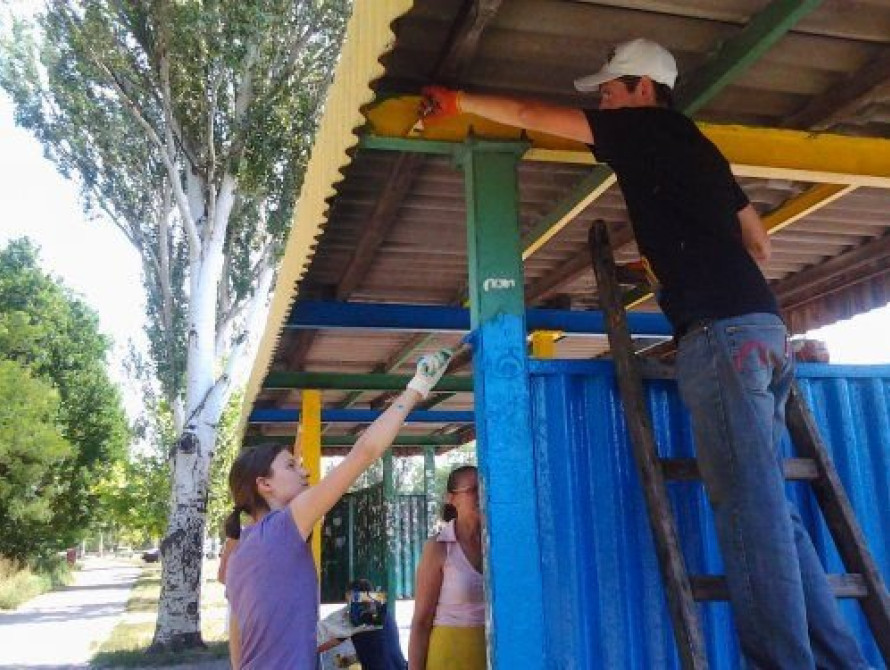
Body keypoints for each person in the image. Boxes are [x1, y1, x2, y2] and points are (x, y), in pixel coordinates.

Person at [421, 39, 869, 669]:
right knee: (772, 512)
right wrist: (689, 260)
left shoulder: (640, 128)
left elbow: (528, 113)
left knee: (749, 515)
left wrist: (460, 100)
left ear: (642, 88)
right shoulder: (699, 146)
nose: (603, 102)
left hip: (721, 336)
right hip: (764, 329)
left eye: (610, 90)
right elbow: (760, 243)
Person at [224, 349, 454, 669]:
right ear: (264, 484)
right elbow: (364, 453)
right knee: (372, 613)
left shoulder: (239, 555)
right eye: (291, 466)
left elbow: (240, 645)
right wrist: (417, 388)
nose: (304, 471)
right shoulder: (283, 526)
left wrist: (325, 638)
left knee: (368, 611)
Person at [408, 465, 485, 670]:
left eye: (484, 487)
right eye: (473, 490)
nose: (481, 494)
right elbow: (421, 622)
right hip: (449, 657)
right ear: (451, 499)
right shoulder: (438, 547)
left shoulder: (499, 546)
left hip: (493, 656)